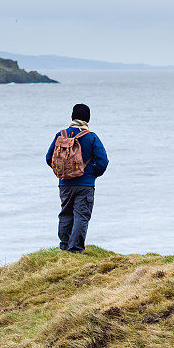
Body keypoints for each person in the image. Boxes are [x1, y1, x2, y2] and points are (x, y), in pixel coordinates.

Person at [45, 103, 109, 253]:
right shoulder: (91, 137)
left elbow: (49, 158)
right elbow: (103, 162)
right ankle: (75, 249)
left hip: (65, 183)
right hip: (85, 184)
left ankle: (64, 246)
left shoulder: (61, 135)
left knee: (65, 214)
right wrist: (91, 174)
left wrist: (62, 172)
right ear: (88, 118)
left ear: (72, 116)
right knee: (81, 216)